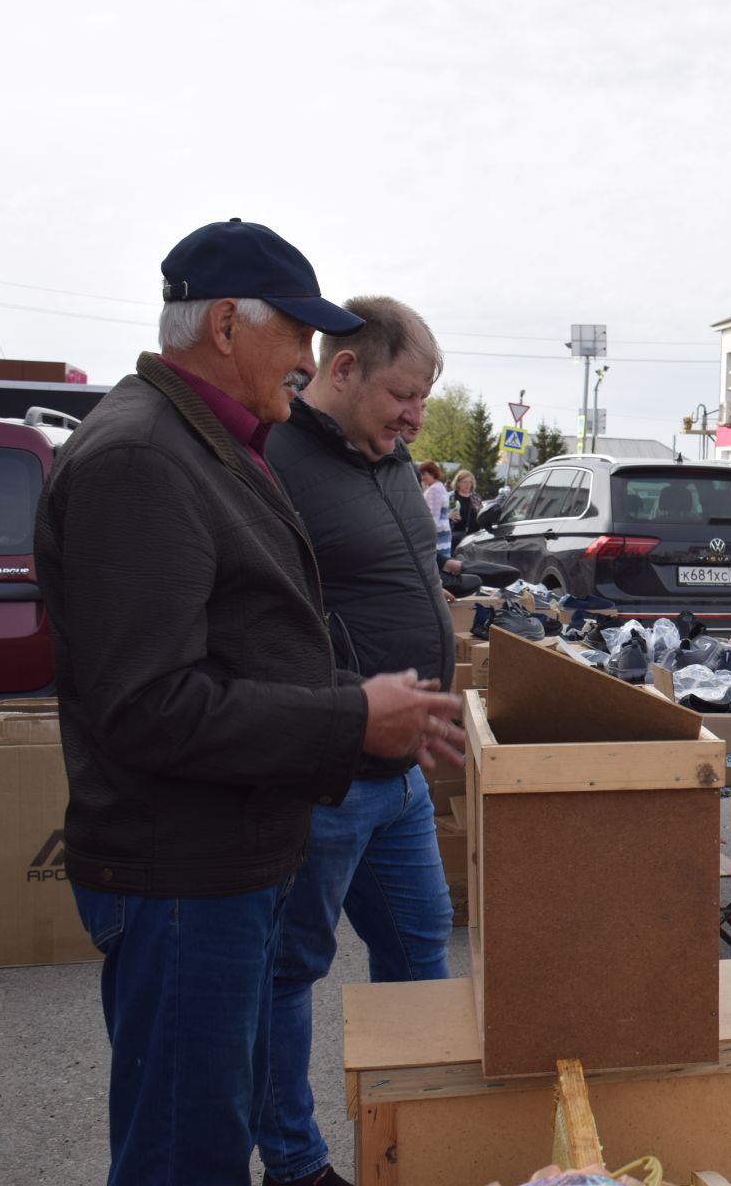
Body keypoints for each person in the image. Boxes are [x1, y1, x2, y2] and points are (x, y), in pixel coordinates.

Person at [33, 220, 465, 1186]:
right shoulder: (144, 457)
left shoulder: (208, 444)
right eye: (299, 338)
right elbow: (148, 704)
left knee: (204, 1138)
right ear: (227, 325)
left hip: (221, 854)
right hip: (180, 872)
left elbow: (248, 640)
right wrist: (352, 718)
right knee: (187, 1153)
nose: (310, 363)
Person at [258, 296, 459, 1186]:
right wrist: (349, 708)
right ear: (343, 371)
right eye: (404, 396)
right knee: (289, 973)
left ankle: (414, 1142)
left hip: (400, 778)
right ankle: (295, 1166)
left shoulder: (389, 455)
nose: (416, 417)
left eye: (423, 400)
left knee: (422, 946)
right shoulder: (276, 462)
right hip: (326, 777)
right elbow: (262, 628)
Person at [449, 468, 483, 540]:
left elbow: (481, 514)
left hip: (474, 536)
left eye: (470, 482)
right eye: (465, 482)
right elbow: (442, 514)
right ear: (458, 483)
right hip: (455, 535)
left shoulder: (475, 497)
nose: (468, 485)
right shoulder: (452, 497)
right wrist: (449, 515)